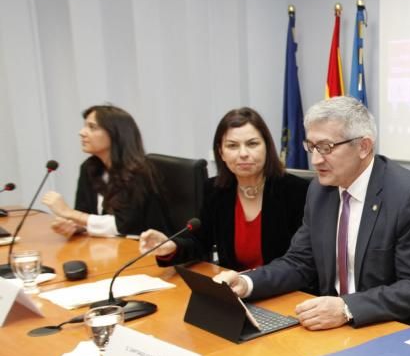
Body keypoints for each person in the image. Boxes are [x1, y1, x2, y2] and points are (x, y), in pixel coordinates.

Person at [213, 96, 410, 338]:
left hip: (395, 327)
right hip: (336, 328)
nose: (315, 160)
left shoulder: (408, 196)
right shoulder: (320, 190)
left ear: (363, 147)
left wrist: (347, 308)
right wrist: (247, 282)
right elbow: (299, 262)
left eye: (326, 148)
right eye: (311, 147)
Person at [138, 107, 308, 271]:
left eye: (252, 144)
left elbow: (301, 260)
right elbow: (200, 241)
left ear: (267, 147)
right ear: (221, 152)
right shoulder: (216, 190)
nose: (243, 153)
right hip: (234, 289)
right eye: (232, 146)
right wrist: (170, 246)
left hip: (284, 290)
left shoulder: (296, 191)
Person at [41, 104, 171, 237]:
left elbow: (123, 226)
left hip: (142, 249)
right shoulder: (89, 167)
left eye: (92, 127)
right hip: (107, 247)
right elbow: (86, 214)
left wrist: (69, 213)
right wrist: (74, 226)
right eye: (85, 126)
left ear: (115, 133)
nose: (82, 132)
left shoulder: (139, 171)